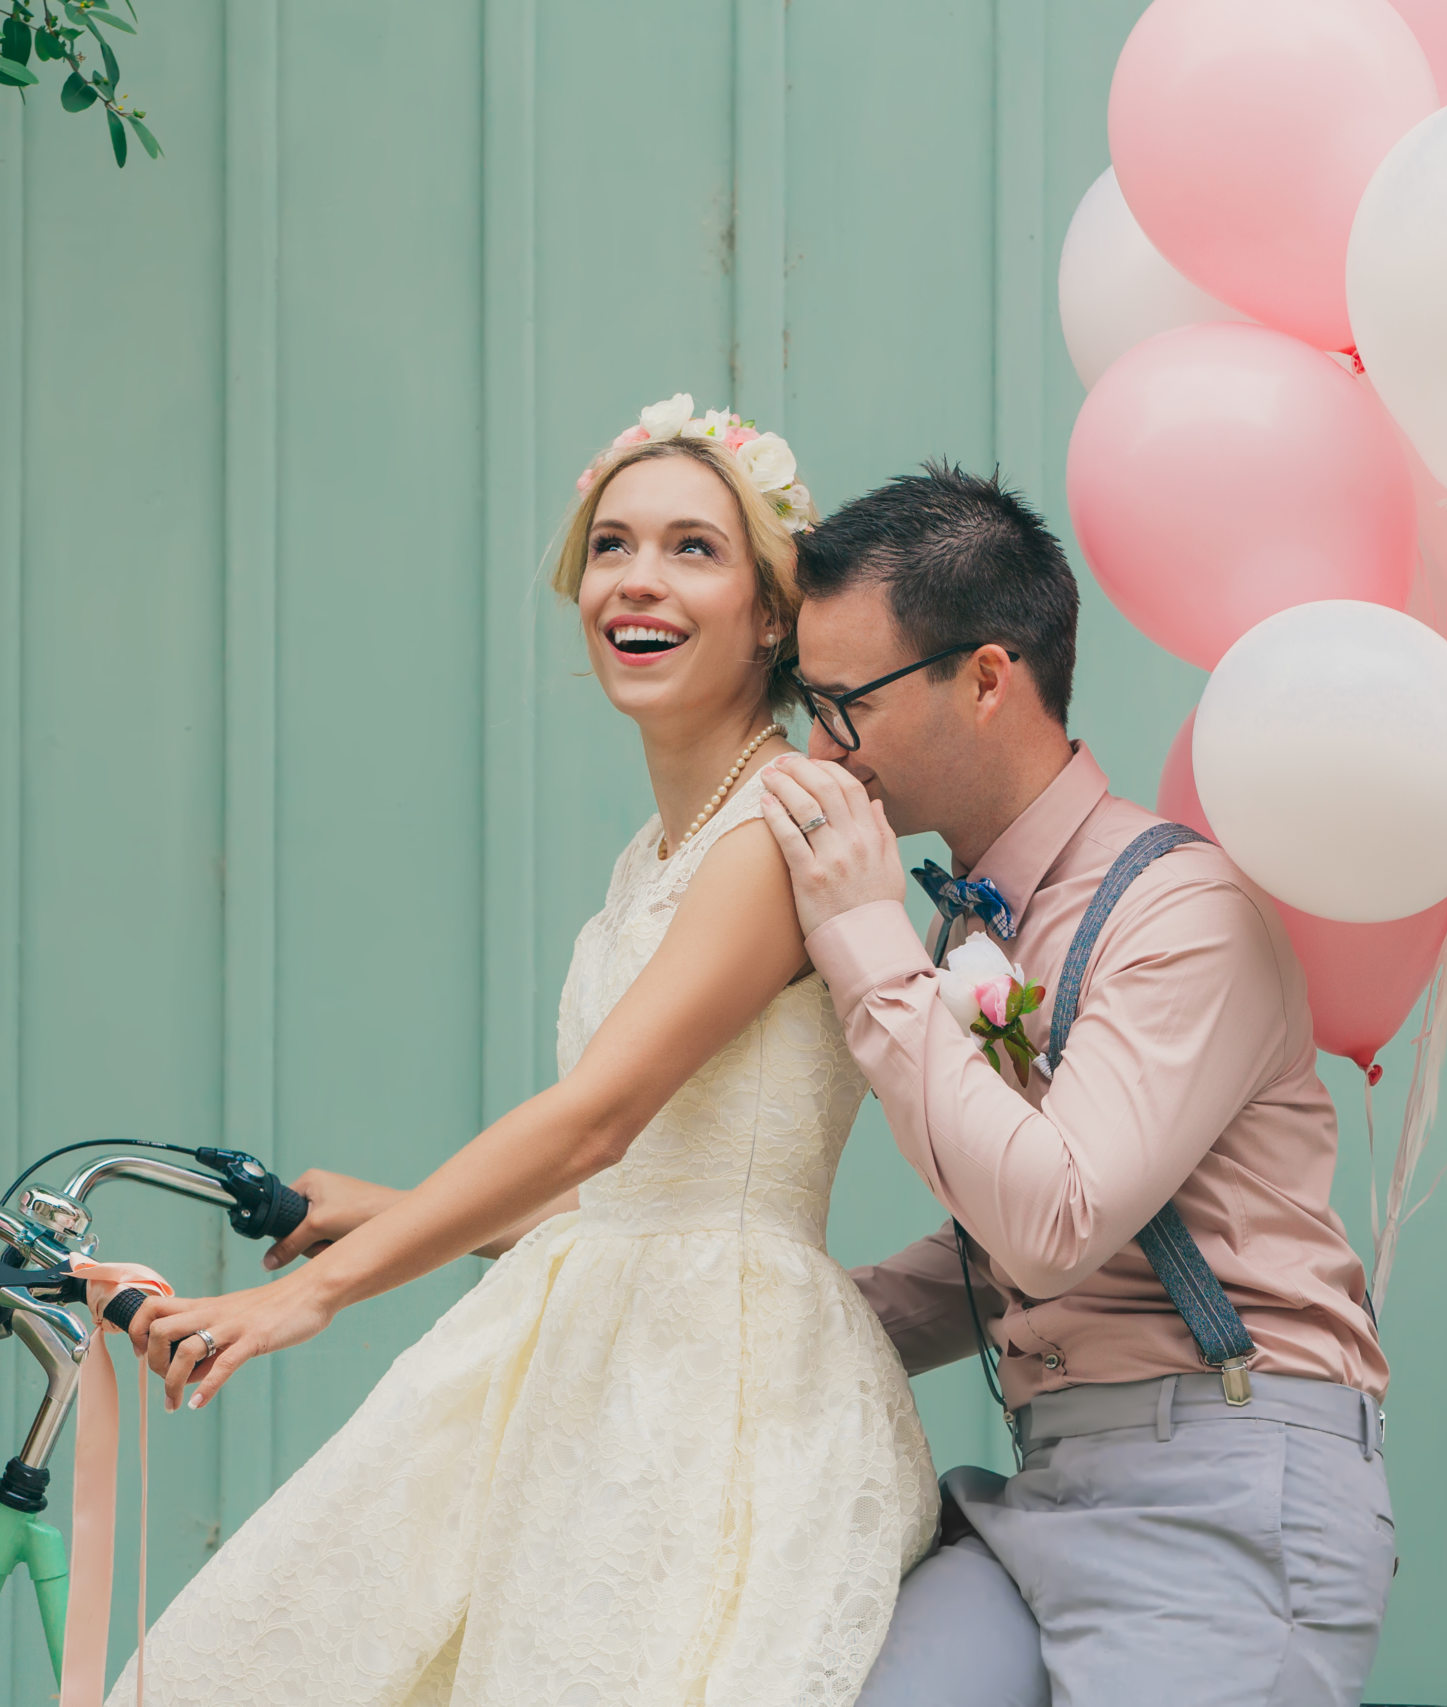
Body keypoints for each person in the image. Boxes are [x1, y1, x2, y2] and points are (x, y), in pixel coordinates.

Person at [106, 399, 936, 1706]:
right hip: (597, 1342)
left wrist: (311, 1296)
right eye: (612, 545)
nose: (638, 579)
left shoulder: (777, 829)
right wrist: (380, 1208)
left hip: (708, 1381)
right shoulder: (651, 857)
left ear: (773, 612)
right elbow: (634, 1190)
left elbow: (602, 1117)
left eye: (693, 548)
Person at [756, 464, 1394, 1707]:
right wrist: (745, 1312)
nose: (823, 747)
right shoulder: (975, 925)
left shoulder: (1181, 913)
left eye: (845, 705)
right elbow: (999, 1243)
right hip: (1040, 1488)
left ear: (987, 678)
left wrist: (861, 937)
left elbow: (1054, 1224)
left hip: (1219, 1486)